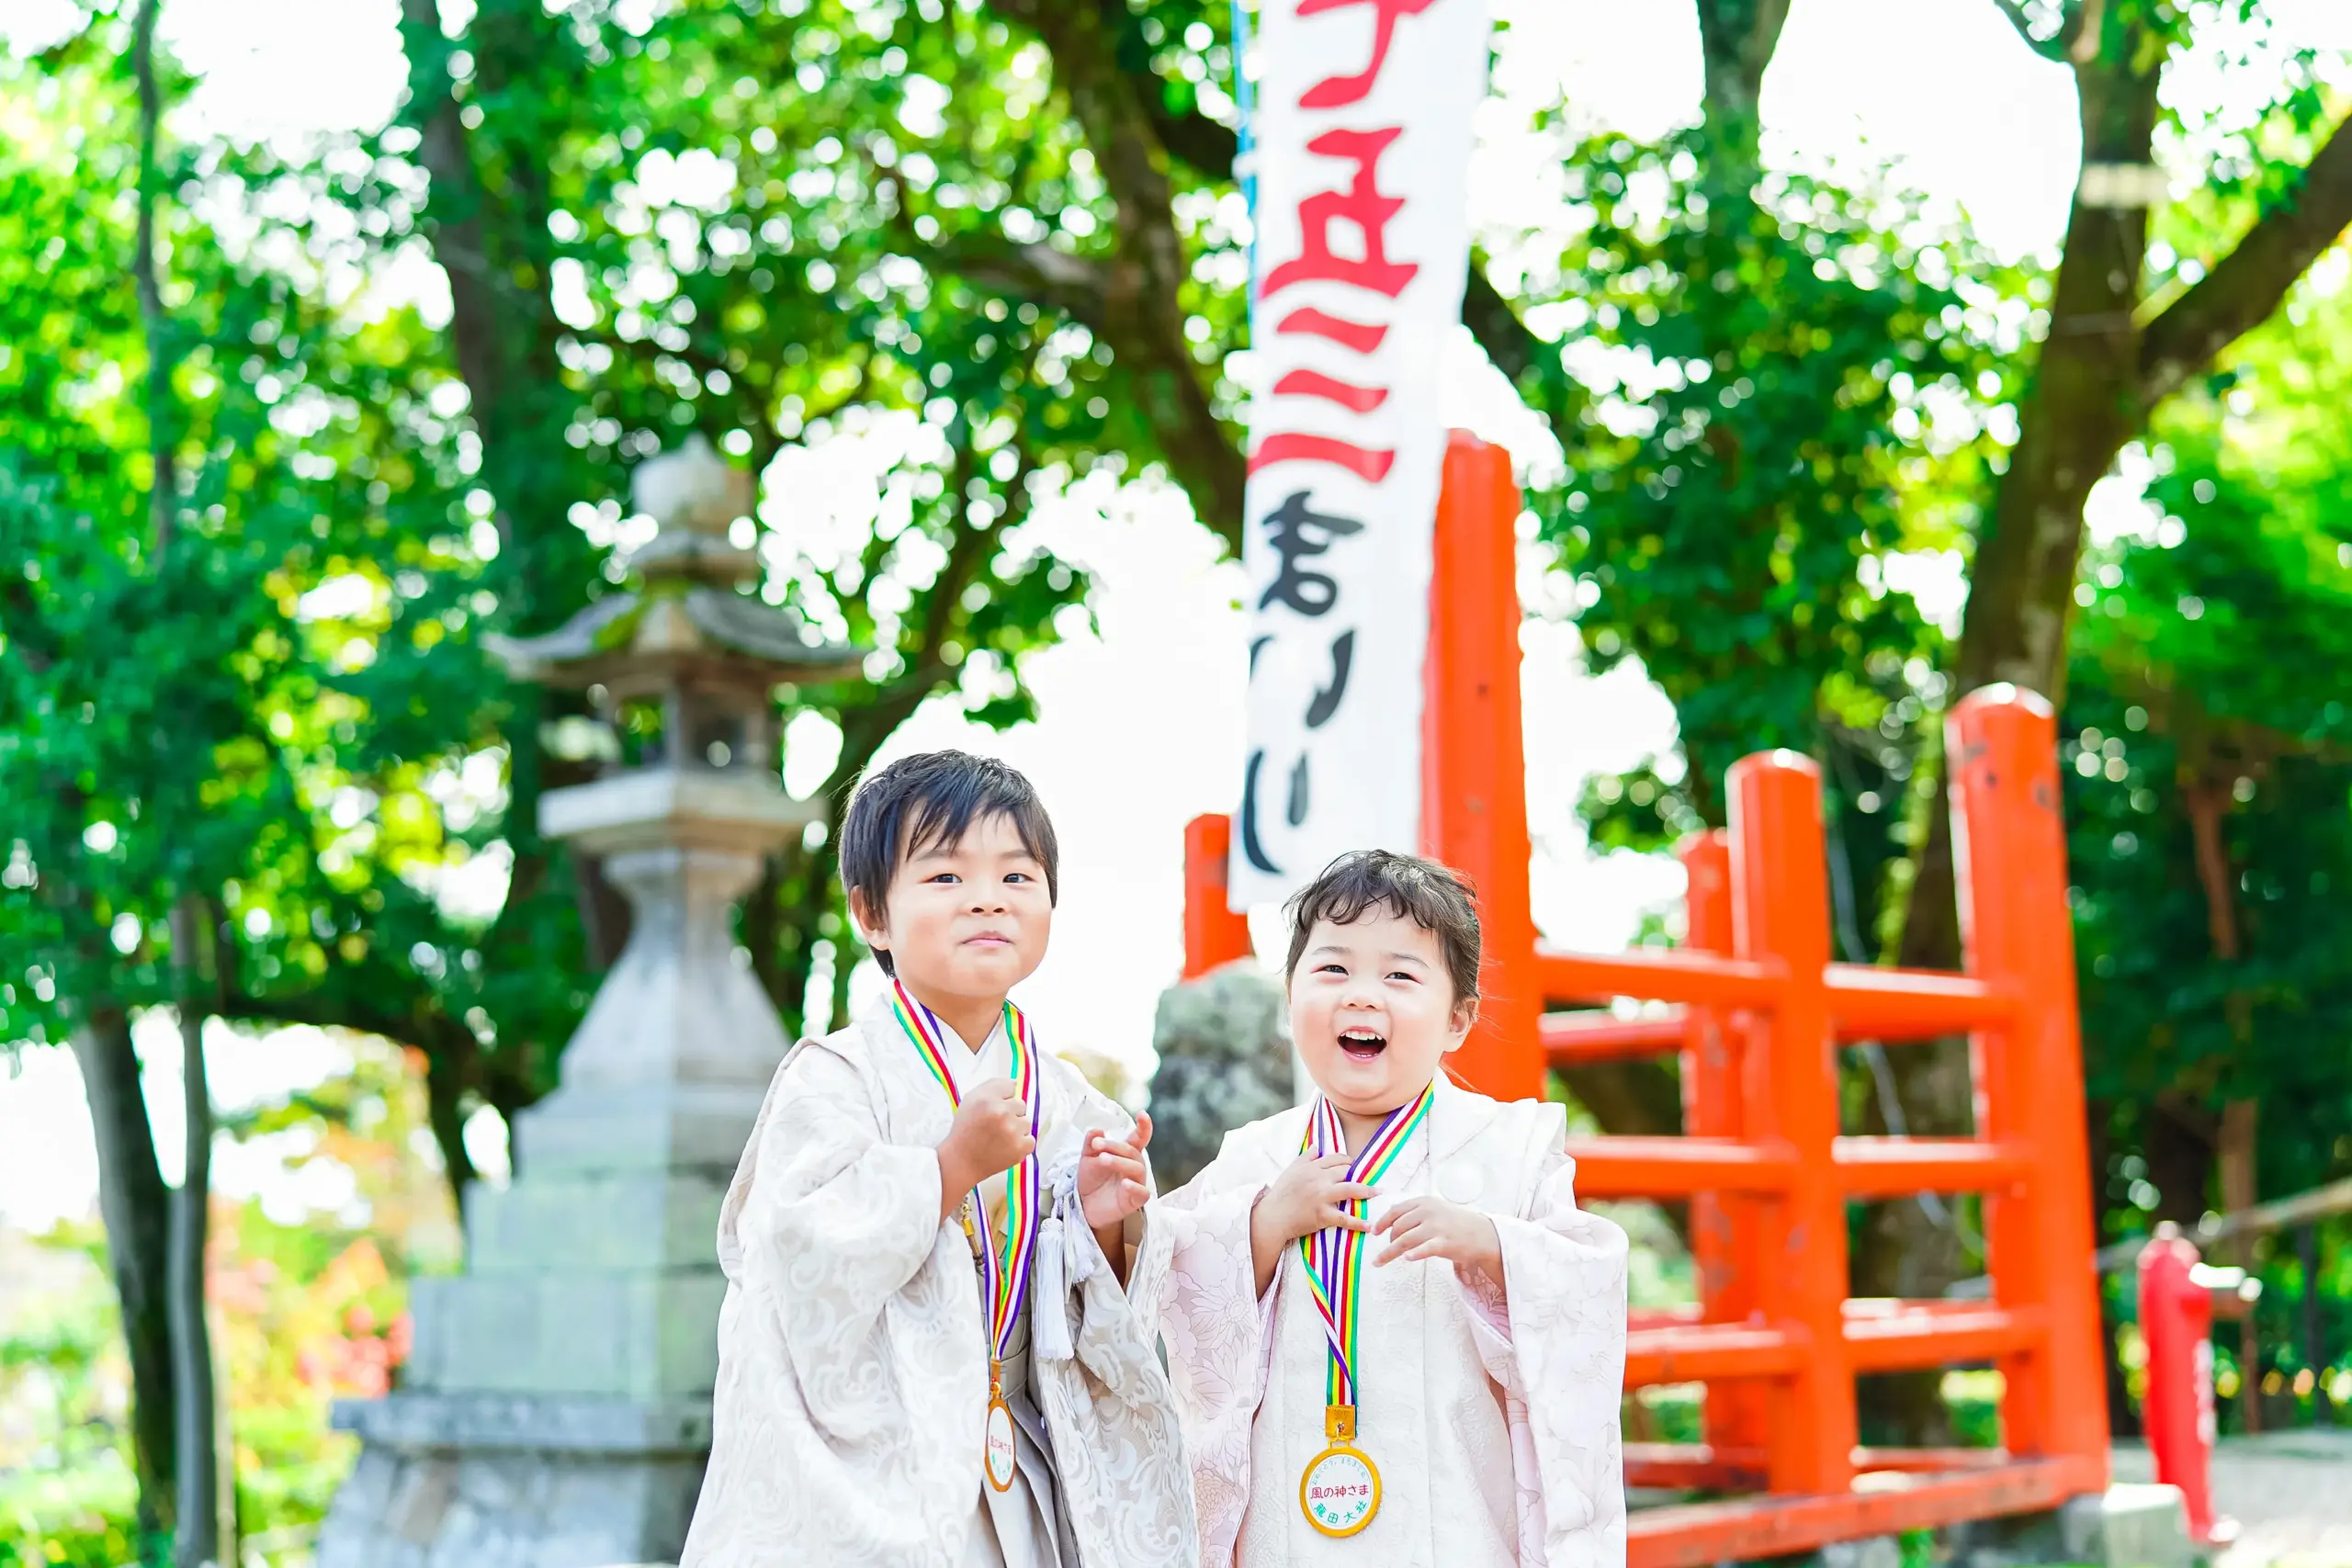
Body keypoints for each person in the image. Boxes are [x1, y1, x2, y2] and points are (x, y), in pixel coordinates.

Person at [680, 751, 1197, 1568]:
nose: (987, 897)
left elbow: (1105, 1311)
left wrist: (1103, 1225)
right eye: (947, 876)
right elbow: (792, 1252)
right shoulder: (836, 1077)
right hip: (876, 1467)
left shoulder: (1069, 1100)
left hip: (1014, 1465)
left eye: (1017, 876)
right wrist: (948, 1166)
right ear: (871, 914)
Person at [1121, 850, 1628, 1567]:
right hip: (1288, 1518)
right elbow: (1171, 1280)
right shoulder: (1255, 1158)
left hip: (1456, 1519)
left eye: (1399, 974)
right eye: (1332, 968)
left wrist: (1491, 1243)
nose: (1362, 994)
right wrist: (1263, 1226)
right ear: (1290, 996)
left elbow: (1586, 1285)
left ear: (1458, 1019)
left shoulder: (1508, 1149)